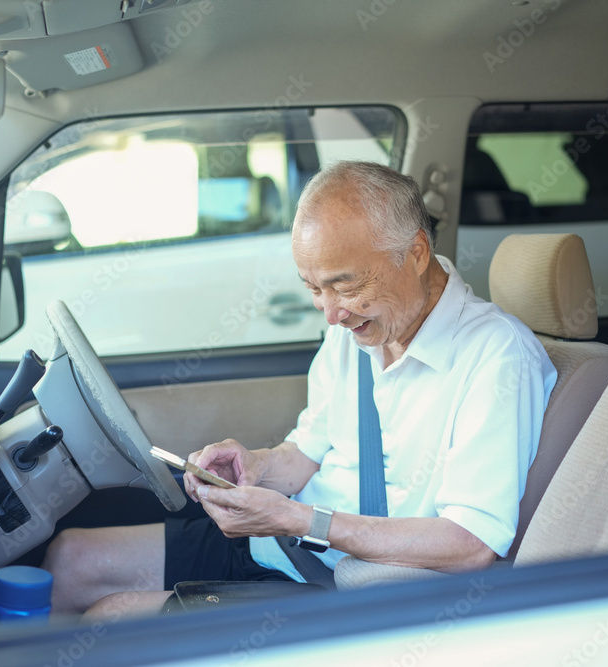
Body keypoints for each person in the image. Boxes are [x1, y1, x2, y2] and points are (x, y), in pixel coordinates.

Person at [42, 161, 557, 618]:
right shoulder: (359, 327)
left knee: (111, 620)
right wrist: (257, 466)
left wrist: (301, 519)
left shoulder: (497, 356)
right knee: (69, 559)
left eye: (345, 285)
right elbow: (308, 452)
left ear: (416, 253)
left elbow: (470, 543)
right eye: (313, 288)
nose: (331, 314)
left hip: (347, 591)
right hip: (280, 545)